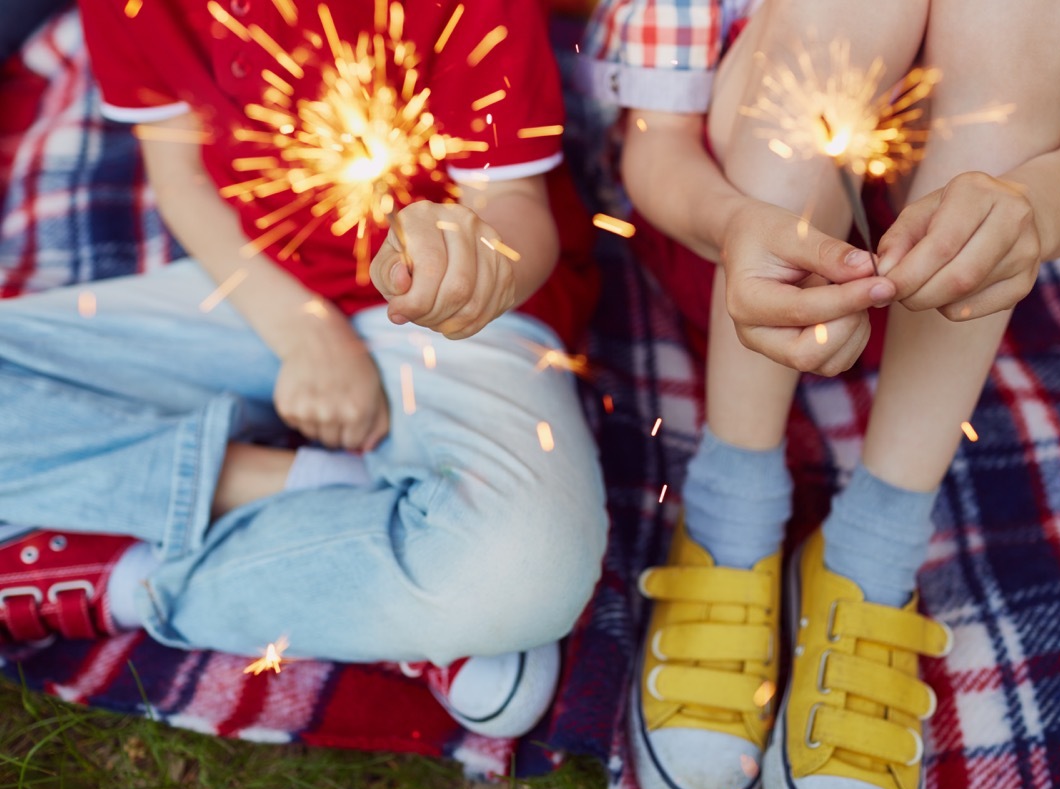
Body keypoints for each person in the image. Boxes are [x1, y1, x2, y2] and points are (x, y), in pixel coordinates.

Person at [583, 0, 1060, 789]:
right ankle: (730, 511)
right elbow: (657, 144)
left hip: (954, 286)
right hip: (739, 264)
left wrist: (1035, 211)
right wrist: (733, 224)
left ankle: (876, 548)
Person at [0, 0, 607, 739]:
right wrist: (304, 333)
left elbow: (514, 206)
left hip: (450, 324)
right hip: (256, 290)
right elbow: (182, 177)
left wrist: (477, 263)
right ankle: (312, 516)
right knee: (477, 575)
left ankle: (126, 574)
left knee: (525, 568)